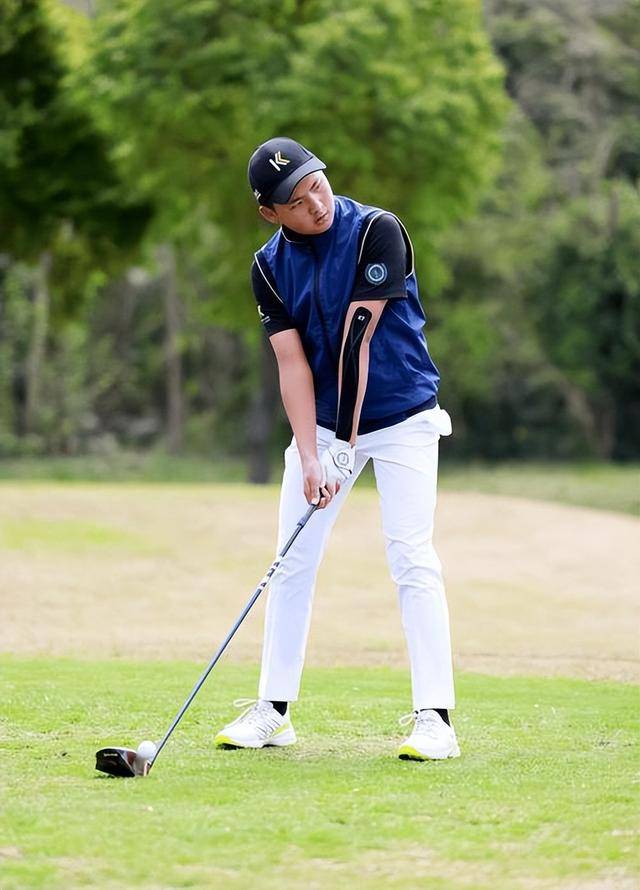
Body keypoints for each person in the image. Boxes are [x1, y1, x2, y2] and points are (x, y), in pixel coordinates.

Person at [214, 137, 459, 761]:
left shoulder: (378, 230)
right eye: (296, 202)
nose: (315, 205)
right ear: (270, 213)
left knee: (411, 555)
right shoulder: (268, 266)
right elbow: (292, 363)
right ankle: (273, 710)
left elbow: (357, 340)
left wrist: (344, 450)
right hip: (324, 422)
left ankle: (435, 719)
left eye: (316, 186)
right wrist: (311, 454)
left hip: (403, 414)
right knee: (291, 560)